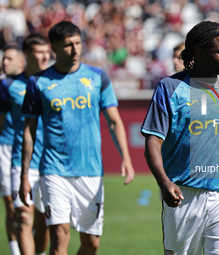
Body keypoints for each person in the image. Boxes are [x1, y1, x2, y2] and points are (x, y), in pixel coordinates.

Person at [19, 21, 135, 255]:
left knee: (91, 244)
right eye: (68, 45)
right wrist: (24, 175)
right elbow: (29, 131)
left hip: (90, 170)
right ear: (54, 47)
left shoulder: (97, 77)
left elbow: (114, 121)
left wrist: (126, 158)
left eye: (78, 43)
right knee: (60, 238)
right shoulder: (38, 82)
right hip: (53, 170)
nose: (75, 50)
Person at [141, 21, 219, 255]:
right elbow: (153, 142)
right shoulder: (170, 88)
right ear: (199, 53)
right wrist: (164, 182)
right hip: (183, 196)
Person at [0, 34, 51, 255]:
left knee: (43, 220)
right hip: (19, 158)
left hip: (49, 161)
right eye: (40, 52)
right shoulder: (8, 85)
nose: (45, 57)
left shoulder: (53, 82)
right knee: (21, 214)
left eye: (47, 53)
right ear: (28, 55)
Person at [0, 44, 25, 255]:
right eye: (3, 59)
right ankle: (15, 251)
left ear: (21, 62)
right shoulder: (2, 85)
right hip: (5, 147)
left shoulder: (32, 83)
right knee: (10, 203)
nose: (4, 62)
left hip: (26, 149)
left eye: (9, 59)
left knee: (27, 207)